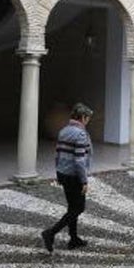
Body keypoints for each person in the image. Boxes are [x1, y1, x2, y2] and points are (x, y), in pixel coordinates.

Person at [41, 102, 93, 252]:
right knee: (78, 208)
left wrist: (58, 173)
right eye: (87, 118)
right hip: (74, 176)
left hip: (63, 173)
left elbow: (58, 155)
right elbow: (79, 160)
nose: (88, 120)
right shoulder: (81, 134)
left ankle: (74, 238)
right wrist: (84, 181)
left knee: (72, 207)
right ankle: (50, 233)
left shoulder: (63, 131)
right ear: (82, 117)